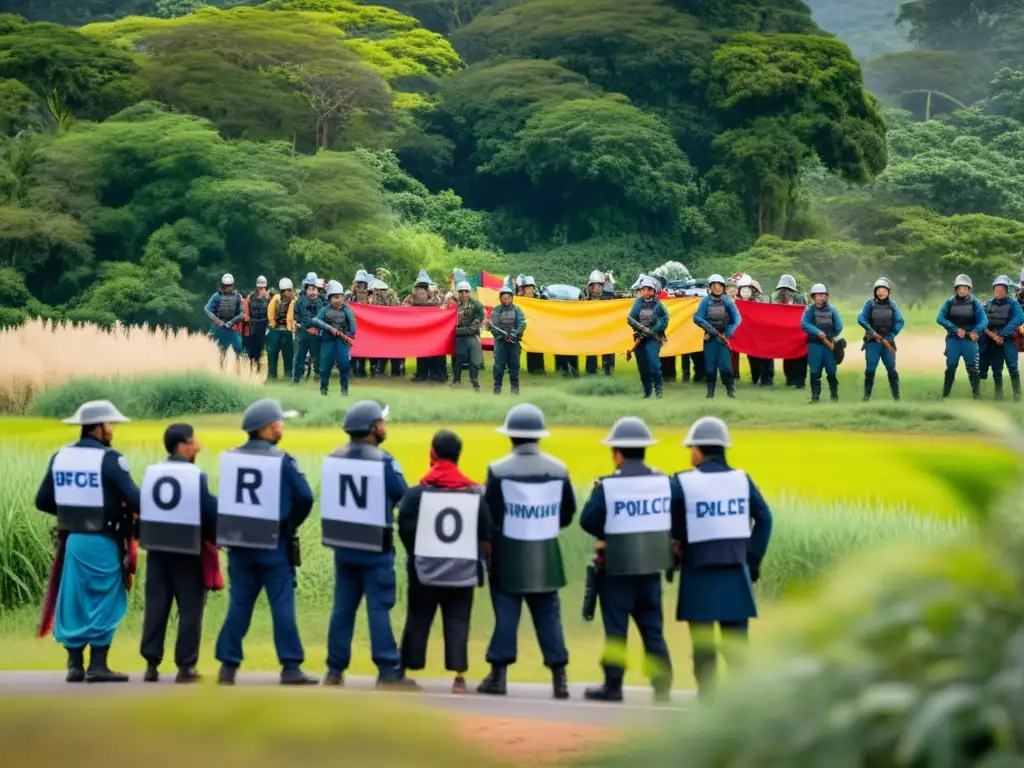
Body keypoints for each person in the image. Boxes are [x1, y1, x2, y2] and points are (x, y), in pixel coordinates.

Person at [35, 400, 140, 683]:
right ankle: (98, 665)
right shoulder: (110, 459)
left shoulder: (61, 456)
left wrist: (73, 511)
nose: (112, 430)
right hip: (103, 541)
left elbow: (42, 500)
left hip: (74, 541)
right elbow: (135, 499)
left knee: (75, 600)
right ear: (99, 427)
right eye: (110, 424)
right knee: (106, 599)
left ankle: (74, 666)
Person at [214, 399, 316, 685]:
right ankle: (291, 666)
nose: (281, 426)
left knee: (240, 603)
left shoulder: (231, 457)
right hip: (273, 542)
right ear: (267, 428)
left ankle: (227, 665)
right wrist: (289, 523)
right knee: (281, 603)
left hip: (239, 544)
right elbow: (305, 496)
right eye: (279, 422)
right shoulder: (282, 460)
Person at [579, 417, 680, 703]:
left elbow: (588, 520)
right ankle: (662, 685)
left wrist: (610, 531)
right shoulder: (664, 482)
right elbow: (675, 516)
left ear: (618, 454)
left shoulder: (608, 486)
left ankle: (613, 686)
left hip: (618, 569)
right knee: (652, 629)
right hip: (651, 569)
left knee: (615, 629)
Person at [479, 404, 575, 699]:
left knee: (506, 615)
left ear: (511, 437)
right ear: (538, 437)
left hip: (507, 555)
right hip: (546, 555)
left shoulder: (498, 470)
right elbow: (568, 512)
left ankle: (499, 676)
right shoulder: (559, 470)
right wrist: (542, 528)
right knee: (549, 615)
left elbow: (490, 514)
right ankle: (560, 679)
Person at [320, 401, 418, 688]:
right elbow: (403, 495)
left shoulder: (333, 457)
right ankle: (387, 669)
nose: (385, 427)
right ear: (372, 429)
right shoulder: (384, 461)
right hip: (376, 543)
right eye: (382, 422)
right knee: (378, 607)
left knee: (343, 608)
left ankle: (335, 670)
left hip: (343, 543)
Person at [673, 417, 772, 698]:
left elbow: (672, 519)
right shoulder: (742, 480)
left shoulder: (683, 482)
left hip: (698, 572)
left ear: (699, 450)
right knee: (737, 647)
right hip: (735, 571)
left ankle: (708, 703)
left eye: (691, 448)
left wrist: (675, 545)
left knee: (704, 648)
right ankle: (741, 706)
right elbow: (765, 518)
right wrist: (751, 559)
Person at [397, 430, 491, 694]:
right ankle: (459, 678)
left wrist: (418, 555)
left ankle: (402, 668)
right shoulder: (474, 493)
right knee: (458, 620)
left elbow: (404, 527)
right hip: (462, 571)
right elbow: (485, 533)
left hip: (424, 570)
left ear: (433, 454)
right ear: (458, 456)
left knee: (417, 617)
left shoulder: (416, 493)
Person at [139, 423, 218, 683]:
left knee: (156, 606)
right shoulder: (196, 475)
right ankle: (186, 666)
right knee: (190, 609)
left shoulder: (152, 472)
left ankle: (151, 664)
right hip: (187, 550)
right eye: (194, 441)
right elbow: (208, 512)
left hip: (157, 550)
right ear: (182, 445)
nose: (199, 446)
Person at [936, 274, 987, 399]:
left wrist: (975, 331)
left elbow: (983, 320)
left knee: (972, 367)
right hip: (953, 338)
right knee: (951, 366)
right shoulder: (949, 302)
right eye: (960, 287)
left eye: (965, 287)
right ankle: (945, 395)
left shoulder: (975, 303)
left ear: (969, 289)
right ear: (956, 289)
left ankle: (977, 396)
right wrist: (955, 329)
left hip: (970, 339)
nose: (962, 290)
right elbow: (940, 318)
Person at [857, 278, 905, 402]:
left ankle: (897, 396)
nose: (881, 293)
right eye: (878, 290)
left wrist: (891, 335)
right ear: (875, 292)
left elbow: (900, 321)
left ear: (888, 292)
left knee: (891, 367)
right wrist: (872, 332)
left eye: (884, 290)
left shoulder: (892, 305)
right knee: (870, 368)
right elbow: (861, 318)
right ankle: (866, 396)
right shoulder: (870, 304)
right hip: (873, 341)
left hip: (887, 342)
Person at [693, 274, 740, 399]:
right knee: (710, 368)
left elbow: (737, 319)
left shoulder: (727, 301)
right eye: (714, 286)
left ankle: (730, 390)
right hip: (710, 339)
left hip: (723, 339)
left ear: (723, 287)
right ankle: (710, 392)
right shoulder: (705, 301)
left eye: (719, 286)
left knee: (726, 367)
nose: (717, 288)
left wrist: (728, 333)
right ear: (710, 287)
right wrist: (709, 329)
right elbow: (697, 318)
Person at [982, 275, 1024, 401]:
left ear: (1006, 291)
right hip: (993, 341)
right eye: (996, 289)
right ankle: (998, 395)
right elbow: (982, 321)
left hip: (1008, 340)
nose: (999, 292)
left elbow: (1019, 318)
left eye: (1001, 289)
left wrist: (1002, 334)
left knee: (1012, 367)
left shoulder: (1013, 303)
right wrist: (993, 336)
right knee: (996, 368)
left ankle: (1017, 396)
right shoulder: (988, 304)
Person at [313, 280, 357, 397]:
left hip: (341, 342)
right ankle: (323, 390)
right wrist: (328, 328)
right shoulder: (325, 309)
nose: (338, 300)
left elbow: (352, 324)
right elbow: (315, 320)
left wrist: (349, 335)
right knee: (325, 366)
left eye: (341, 297)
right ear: (330, 298)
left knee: (344, 365)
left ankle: (344, 390)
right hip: (327, 341)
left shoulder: (346, 310)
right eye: (335, 297)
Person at [628, 276, 669, 399]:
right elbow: (631, 319)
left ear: (654, 291)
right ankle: (647, 392)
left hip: (653, 338)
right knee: (643, 367)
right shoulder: (638, 302)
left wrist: (653, 330)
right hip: (640, 338)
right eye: (644, 289)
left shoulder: (659, 305)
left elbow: (664, 320)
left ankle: (659, 392)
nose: (646, 292)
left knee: (654, 365)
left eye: (649, 289)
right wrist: (641, 330)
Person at [801, 284, 843, 403]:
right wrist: (818, 332)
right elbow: (804, 324)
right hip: (814, 345)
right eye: (818, 295)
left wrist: (828, 336)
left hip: (828, 345)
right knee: (814, 371)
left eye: (823, 295)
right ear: (813, 297)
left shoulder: (832, 310)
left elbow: (839, 326)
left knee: (831, 370)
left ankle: (834, 395)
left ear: (826, 296)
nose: (820, 297)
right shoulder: (810, 310)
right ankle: (815, 397)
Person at [405, 269, 445, 383]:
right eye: (419, 287)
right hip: (421, 331)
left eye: (424, 287)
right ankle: (421, 374)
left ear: (429, 288)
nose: (421, 289)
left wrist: (424, 304)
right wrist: (416, 302)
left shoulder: (438, 297)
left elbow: (445, 307)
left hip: (436, 331)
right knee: (422, 353)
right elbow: (404, 309)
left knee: (437, 354)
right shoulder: (411, 298)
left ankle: (438, 374)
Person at [488, 280, 527, 395]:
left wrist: (515, 333)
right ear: (500, 299)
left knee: (514, 365)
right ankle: (497, 387)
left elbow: (522, 323)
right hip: (501, 343)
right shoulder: (496, 310)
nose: (506, 300)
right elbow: (493, 326)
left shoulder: (517, 310)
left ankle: (515, 387)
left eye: (508, 298)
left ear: (512, 298)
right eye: (504, 298)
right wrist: (501, 335)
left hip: (513, 343)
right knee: (499, 366)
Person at [774, 275, 807, 389]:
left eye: (788, 290)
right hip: (785, 334)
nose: (785, 292)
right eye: (783, 290)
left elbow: (805, 312)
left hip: (799, 332)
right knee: (788, 356)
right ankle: (790, 380)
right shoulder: (775, 300)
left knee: (800, 357)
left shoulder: (800, 299)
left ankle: (799, 382)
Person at [292, 272, 324, 384]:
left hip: (317, 335)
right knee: (299, 357)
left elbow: (325, 317)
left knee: (318, 358)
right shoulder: (300, 301)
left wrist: (318, 329)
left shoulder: (322, 301)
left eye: (314, 288)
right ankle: (296, 379)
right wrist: (307, 328)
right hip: (303, 334)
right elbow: (296, 317)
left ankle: (319, 378)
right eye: (310, 288)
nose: (312, 291)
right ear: (306, 289)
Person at [205, 273, 245, 364]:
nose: (228, 287)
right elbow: (207, 309)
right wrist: (218, 322)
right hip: (218, 327)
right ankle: (218, 368)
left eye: (230, 285)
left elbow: (241, 312)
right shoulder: (216, 296)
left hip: (232, 327)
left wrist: (231, 323)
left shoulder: (237, 296)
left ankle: (239, 368)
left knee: (238, 347)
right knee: (218, 348)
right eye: (226, 286)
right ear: (223, 285)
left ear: (232, 285)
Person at [453, 280, 485, 391]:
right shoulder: (454, 306)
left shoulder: (477, 305)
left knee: (474, 360)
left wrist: (455, 331)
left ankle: (475, 381)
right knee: (458, 359)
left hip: (472, 337)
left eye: (466, 291)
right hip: (459, 338)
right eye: (461, 292)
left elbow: (473, 328)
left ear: (469, 292)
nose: (463, 294)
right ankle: (456, 380)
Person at [369, 277, 404, 378]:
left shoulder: (394, 299)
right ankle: (381, 371)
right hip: (381, 328)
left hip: (393, 328)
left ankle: (395, 371)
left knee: (394, 350)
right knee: (383, 350)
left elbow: (395, 311)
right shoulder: (376, 297)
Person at [584, 269, 616, 377]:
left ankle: (608, 371)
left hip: (606, 330)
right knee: (591, 352)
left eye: (598, 285)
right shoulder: (586, 299)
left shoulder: (609, 297)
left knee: (608, 352)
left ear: (602, 286)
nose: (596, 288)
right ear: (590, 286)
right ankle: (591, 372)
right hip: (591, 330)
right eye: (593, 285)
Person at [266, 278, 295, 381]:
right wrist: (271, 324)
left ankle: (289, 373)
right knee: (272, 353)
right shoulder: (275, 299)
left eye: (289, 290)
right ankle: (272, 374)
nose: (288, 292)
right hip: (275, 330)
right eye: (285, 290)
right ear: (282, 291)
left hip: (288, 331)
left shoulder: (295, 300)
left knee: (288, 354)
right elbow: (270, 313)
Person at [348, 270, 373, 379]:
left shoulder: (370, 296)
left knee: (362, 349)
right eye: (358, 283)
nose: (360, 286)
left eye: (362, 283)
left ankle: (361, 370)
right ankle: (354, 369)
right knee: (352, 348)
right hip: (353, 326)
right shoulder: (349, 296)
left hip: (365, 327)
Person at [520, 276, 546, 375]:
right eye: (527, 288)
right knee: (530, 349)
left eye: (531, 287)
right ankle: (531, 369)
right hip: (527, 329)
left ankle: (540, 369)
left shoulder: (539, 299)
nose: (529, 290)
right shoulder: (521, 300)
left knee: (539, 348)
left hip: (538, 328)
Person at [244, 276, 271, 372]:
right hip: (253, 324)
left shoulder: (269, 297)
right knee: (251, 346)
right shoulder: (251, 296)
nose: (261, 288)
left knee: (260, 347)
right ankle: (251, 366)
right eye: (259, 287)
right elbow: (246, 309)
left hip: (263, 324)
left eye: (262, 287)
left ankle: (257, 366)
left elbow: (271, 311)